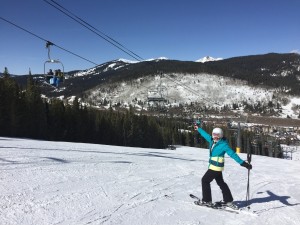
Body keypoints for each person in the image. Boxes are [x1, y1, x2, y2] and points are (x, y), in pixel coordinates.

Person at [194, 123, 252, 208]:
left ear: (221, 135)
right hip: (215, 166)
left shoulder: (224, 145)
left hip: (216, 167)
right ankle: (228, 200)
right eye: (214, 134)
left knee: (205, 180)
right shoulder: (212, 140)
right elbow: (205, 135)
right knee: (221, 182)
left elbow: (233, 154)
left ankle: (206, 200)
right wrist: (198, 129)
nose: (215, 136)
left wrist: (243, 163)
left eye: (217, 135)